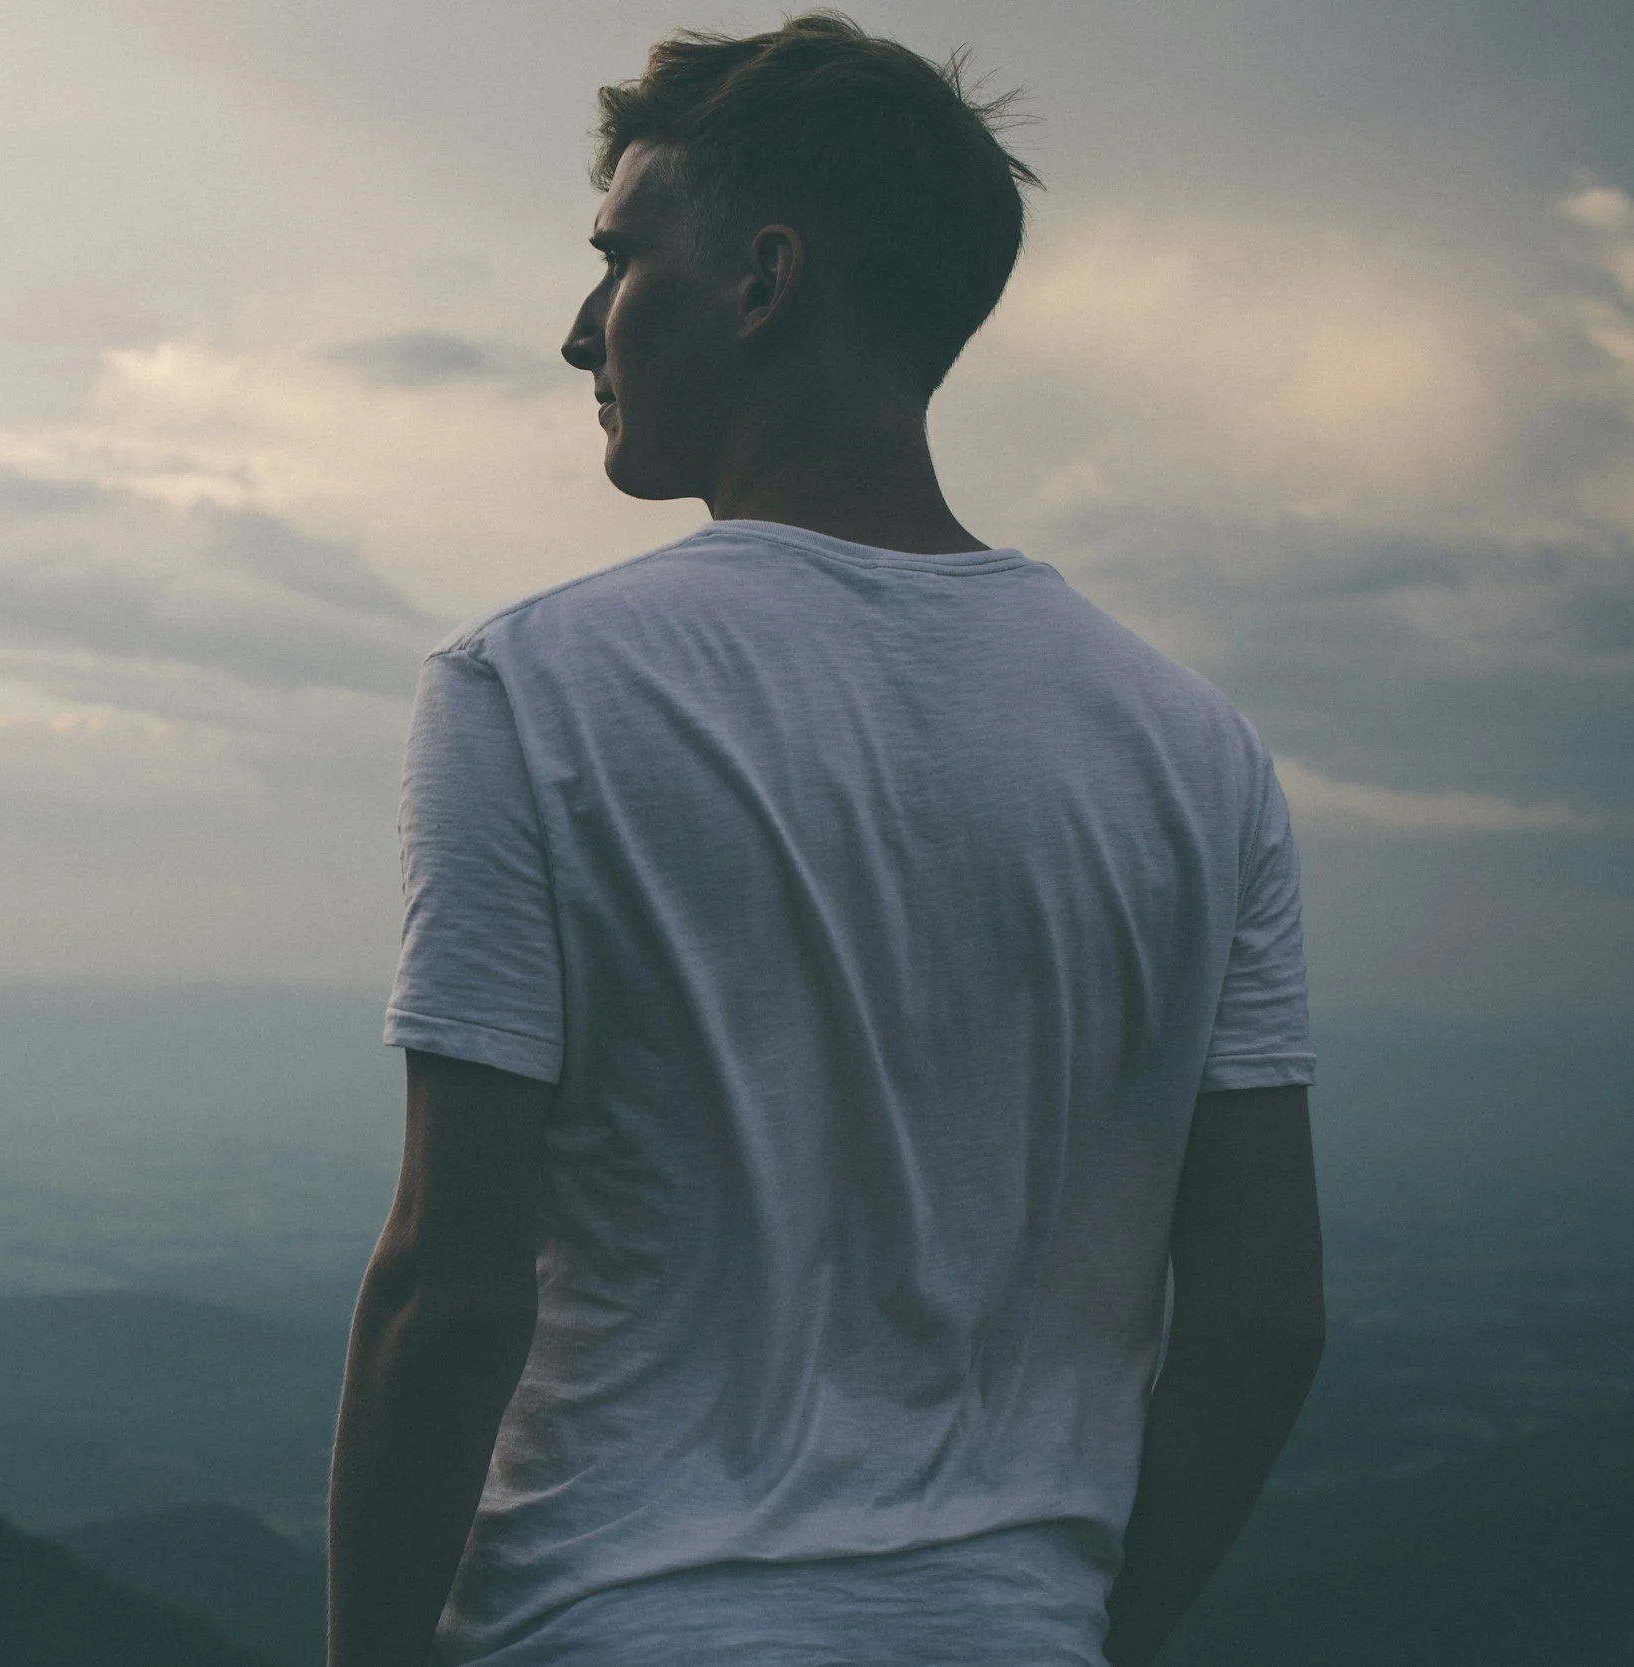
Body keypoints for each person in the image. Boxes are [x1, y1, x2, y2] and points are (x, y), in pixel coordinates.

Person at [325, 13, 1325, 1667]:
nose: (581, 333)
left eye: (620, 259)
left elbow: (455, 1287)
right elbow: (1260, 1315)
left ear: (763, 280)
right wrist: (1085, 1624)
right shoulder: (1194, 750)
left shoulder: (532, 685)